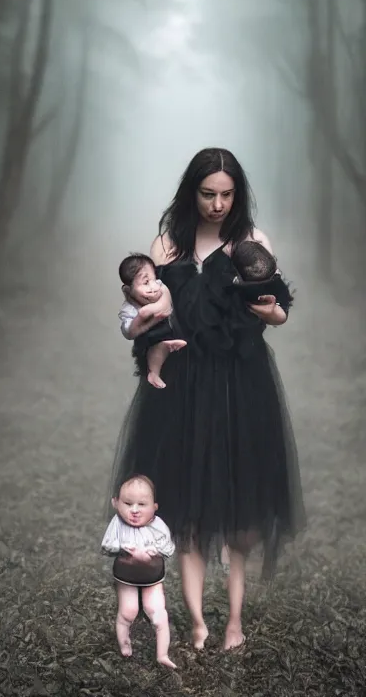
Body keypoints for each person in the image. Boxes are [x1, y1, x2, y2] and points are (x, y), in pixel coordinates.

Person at [109, 147, 305, 652]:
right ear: (191, 192)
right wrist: (144, 325)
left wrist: (267, 310)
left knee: (239, 512)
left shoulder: (251, 242)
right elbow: (140, 313)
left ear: (237, 195)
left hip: (240, 384)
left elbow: (279, 310)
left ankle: (234, 621)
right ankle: (197, 623)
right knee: (186, 507)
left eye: (226, 194)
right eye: (207, 194)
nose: (217, 204)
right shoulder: (167, 245)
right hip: (181, 387)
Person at [101, 475, 177, 668]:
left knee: (158, 613)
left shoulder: (158, 525)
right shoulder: (117, 523)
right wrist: (124, 548)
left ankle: (162, 654)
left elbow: (169, 548)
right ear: (115, 503)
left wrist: (154, 552)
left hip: (152, 577)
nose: (134, 510)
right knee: (128, 611)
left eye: (142, 504)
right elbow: (107, 545)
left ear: (154, 507)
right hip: (126, 576)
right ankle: (124, 644)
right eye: (128, 503)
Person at [118, 253, 186, 388]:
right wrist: (140, 320)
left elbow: (165, 293)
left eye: (154, 279)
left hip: (169, 329)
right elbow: (128, 333)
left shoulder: (159, 286)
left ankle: (170, 345)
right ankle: (154, 373)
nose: (153, 286)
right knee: (155, 350)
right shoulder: (129, 309)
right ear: (128, 290)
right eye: (145, 282)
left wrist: (156, 307)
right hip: (149, 341)